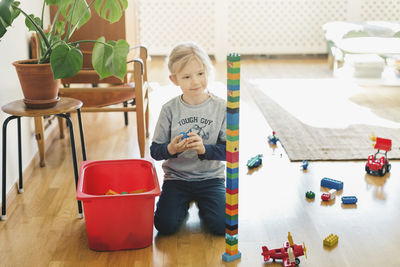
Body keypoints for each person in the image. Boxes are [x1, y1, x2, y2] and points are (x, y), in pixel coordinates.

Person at [150, 42, 226, 235]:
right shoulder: (169, 110)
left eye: (201, 74)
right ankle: (181, 206)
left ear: (208, 72)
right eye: (187, 76)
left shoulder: (221, 108)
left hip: (211, 179)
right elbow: (155, 151)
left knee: (222, 226)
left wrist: (204, 150)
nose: (195, 82)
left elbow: (230, 150)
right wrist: (171, 149)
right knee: (164, 226)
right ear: (174, 80)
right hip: (177, 178)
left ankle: (205, 206)